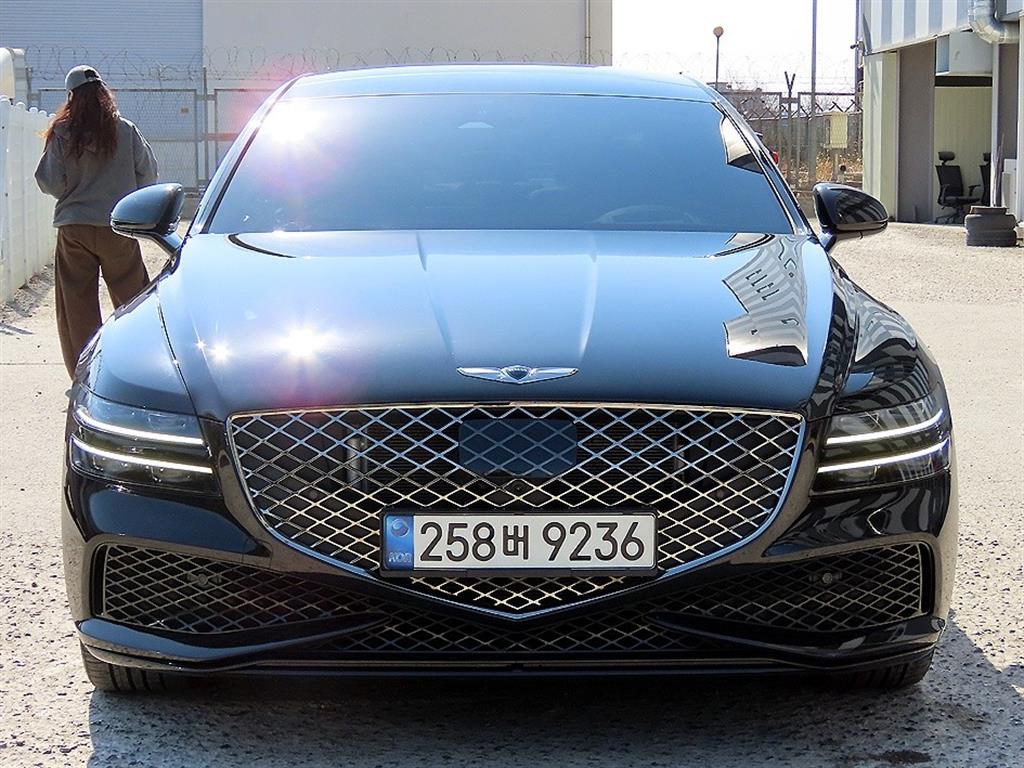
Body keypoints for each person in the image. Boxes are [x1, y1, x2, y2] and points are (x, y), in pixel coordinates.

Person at [35, 65, 158, 378]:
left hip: (75, 228)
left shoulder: (62, 132)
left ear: (71, 96)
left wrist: (77, 189)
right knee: (132, 299)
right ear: (104, 93)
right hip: (118, 226)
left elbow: (50, 182)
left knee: (76, 305)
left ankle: (86, 376)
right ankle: (138, 367)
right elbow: (149, 174)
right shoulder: (125, 130)